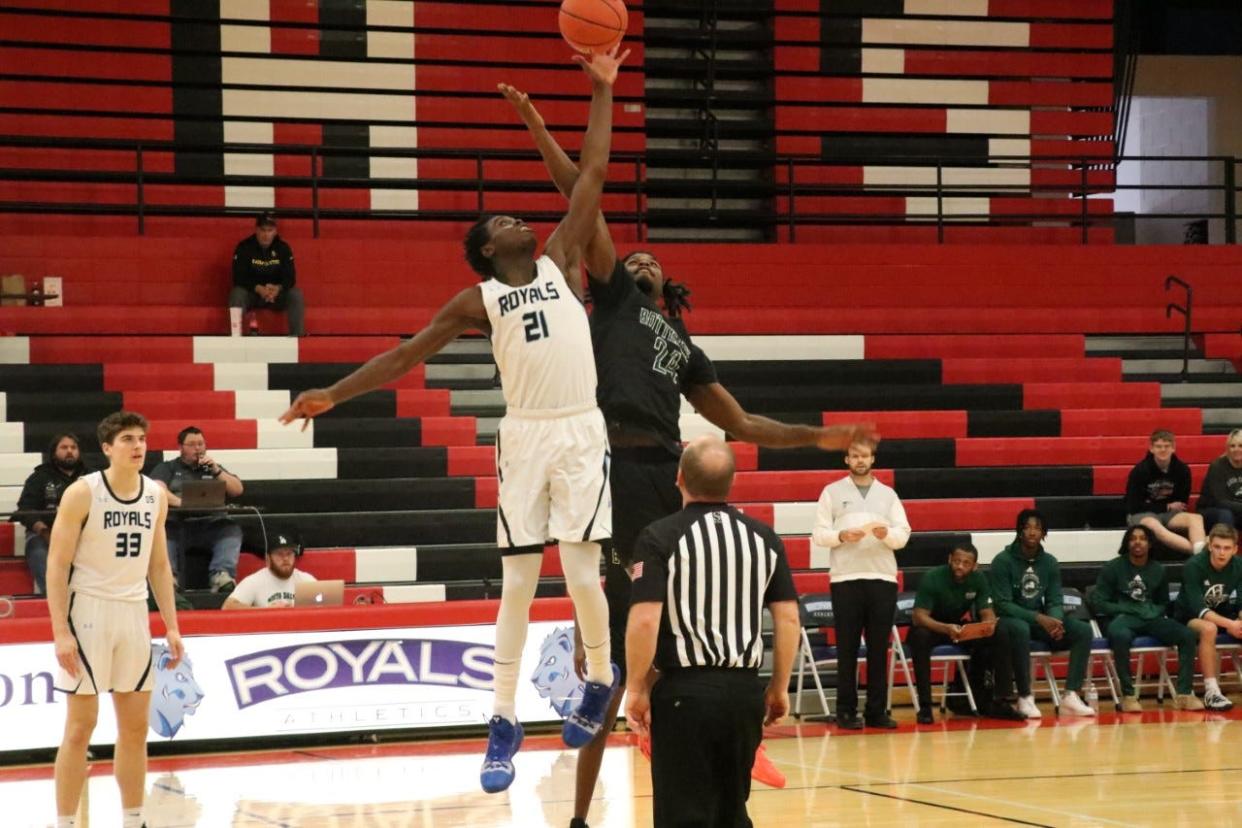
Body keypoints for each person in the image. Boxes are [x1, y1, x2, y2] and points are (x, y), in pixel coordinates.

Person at [496, 83, 877, 822]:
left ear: (669, 285)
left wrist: (819, 439)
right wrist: (539, 125)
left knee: (692, 618)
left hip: (662, 478)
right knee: (604, 647)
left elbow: (741, 422)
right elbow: (584, 195)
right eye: (627, 257)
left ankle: (739, 728)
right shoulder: (609, 303)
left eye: (649, 260)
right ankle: (579, 807)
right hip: (601, 465)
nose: (636, 260)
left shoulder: (683, 346)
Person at [279, 45, 630, 795]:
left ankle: (600, 677)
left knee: (581, 569)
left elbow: (593, 175)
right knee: (516, 584)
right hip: (528, 434)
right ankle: (502, 721)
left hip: (579, 428)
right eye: (501, 221)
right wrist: (331, 395)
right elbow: (405, 355)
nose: (516, 219)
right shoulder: (479, 301)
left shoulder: (563, 255)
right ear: (485, 251)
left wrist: (601, 90)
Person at [624, 436, 798, 828]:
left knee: (683, 815)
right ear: (730, 482)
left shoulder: (659, 537)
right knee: (732, 813)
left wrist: (636, 687)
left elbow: (646, 620)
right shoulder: (763, 539)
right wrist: (779, 686)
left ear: (679, 477)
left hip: (685, 695)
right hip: (743, 695)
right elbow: (787, 619)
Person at [45, 411, 183, 828]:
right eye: (127, 438)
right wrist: (60, 632)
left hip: (133, 613)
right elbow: (56, 564)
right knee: (80, 728)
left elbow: (159, 565)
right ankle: (66, 821)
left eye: (141, 438)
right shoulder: (82, 492)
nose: (138, 445)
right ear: (107, 448)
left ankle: (133, 818)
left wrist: (172, 625)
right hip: (88, 610)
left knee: (135, 729)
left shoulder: (155, 495)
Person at [811, 438, 911, 730]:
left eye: (864, 456)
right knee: (847, 647)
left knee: (879, 648)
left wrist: (885, 535)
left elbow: (903, 534)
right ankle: (845, 710)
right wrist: (841, 536)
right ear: (846, 459)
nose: (859, 460)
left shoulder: (888, 495)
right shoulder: (831, 492)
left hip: (882, 578)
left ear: (872, 459)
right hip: (846, 579)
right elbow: (818, 534)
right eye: (854, 456)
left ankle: (876, 711)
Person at [988, 509, 1095, 718]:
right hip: (1011, 621)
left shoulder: (1050, 562)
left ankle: (1071, 695)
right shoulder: (1002, 560)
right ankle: (1025, 697)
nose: (1032, 532)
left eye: (1037, 528)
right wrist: (1039, 618)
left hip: (1040, 621)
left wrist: (1055, 621)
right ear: (1019, 531)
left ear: (1044, 533)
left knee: (1082, 630)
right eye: (1027, 527)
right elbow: (1002, 604)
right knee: (1019, 628)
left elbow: (1055, 599)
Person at [909, 543, 1026, 724]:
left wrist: (989, 625)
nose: (960, 566)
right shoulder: (932, 577)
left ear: (974, 566)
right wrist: (946, 628)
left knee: (999, 631)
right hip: (932, 626)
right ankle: (924, 706)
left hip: (957, 628)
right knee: (919, 636)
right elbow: (918, 617)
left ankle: (999, 700)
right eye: (956, 561)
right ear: (949, 559)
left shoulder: (978, 579)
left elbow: (986, 611)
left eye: (966, 563)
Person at [1089, 524, 1201, 712]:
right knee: (1120, 636)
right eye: (1133, 538)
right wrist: (1126, 608)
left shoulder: (1158, 569)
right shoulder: (1113, 567)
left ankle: (1184, 694)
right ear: (1127, 543)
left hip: (1149, 618)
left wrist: (1153, 611)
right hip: (1122, 618)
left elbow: (1163, 603)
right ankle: (1128, 696)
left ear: (1150, 544)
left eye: (1143, 538)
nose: (1138, 542)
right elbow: (1098, 603)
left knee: (1187, 635)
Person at [149, 426, 244, 593]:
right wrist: (182, 502)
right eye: (192, 444)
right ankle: (168, 578)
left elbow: (237, 489)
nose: (198, 448)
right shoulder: (168, 467)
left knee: (231, 528)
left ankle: (222, 576)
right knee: (162, 529)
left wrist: (217, 471)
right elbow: (156, 489)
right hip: (178, 525)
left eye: (201, 443)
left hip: (210, 524)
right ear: (180, 447)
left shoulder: (215, 468)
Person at [1173, 522, 1242, 711]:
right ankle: (1212, 692)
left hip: (1223, 612)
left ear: (1235, 549)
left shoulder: (1239, 565)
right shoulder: (1194, 566)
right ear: (1210, 545)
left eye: (1227, 548)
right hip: (1187, 617)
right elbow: (1200, 609)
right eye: (1217, 547)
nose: (1221, 552)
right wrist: (1231, 624)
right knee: (1208, 628)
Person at [14, 432, 88, 595]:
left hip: (85, 535)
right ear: (54, 452)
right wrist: (45, 531)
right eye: (64, 447)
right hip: (45, 535)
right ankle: (56, 600)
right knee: (38, 551)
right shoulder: (39, 477)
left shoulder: (91, 477)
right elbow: (24, 510)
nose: (70, 451)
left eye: (73, 447)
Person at [1124, 429, 1206, 555]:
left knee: (1196, 518)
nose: (1163, 450)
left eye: (1167, 446)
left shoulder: (1183, 470)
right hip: (1143, 514)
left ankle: (1200, 550)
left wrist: (1155, 504)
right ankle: (1201, 554)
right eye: (1159, 446)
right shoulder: (1140, 471)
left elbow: (1181, 503)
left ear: (1173, 448)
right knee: (1153, 525)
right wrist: (1166, 506)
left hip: (1167, 514)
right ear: (1151, 449)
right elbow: (1134, 505)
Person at [229, 211, 306, 336]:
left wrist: (278, 288)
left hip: (275, 295)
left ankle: (297, 336)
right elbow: (238, 276)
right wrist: (258, 288)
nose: (266, 235)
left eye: (269, 230)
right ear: (256, 230)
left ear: (275, 231)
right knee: (237, 293)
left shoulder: (283, 248)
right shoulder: (244, 247)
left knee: (296, 294)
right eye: (263, 230)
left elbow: (290, 278)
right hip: (252, 294)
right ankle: (236, 336)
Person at [221, 529, 313, 609]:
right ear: (268, 559)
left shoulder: (306, 580)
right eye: (279, 554)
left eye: (289, 554)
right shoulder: (254, 581)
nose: (285, 558)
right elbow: (228, 606)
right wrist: (266, 611)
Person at [1197, 429, 1242, 529]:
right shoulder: (1217, 466)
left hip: (1238, 510)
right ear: (1227, 448)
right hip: (1211, 510)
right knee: (1226, 514)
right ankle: (1226, 544)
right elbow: (1220, 501)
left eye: (1240, 446)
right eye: (1232, 446)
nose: (1236, 449)